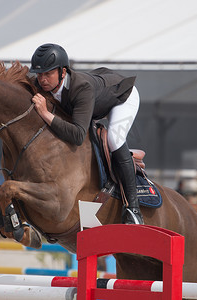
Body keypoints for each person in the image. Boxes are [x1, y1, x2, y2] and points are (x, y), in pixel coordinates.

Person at [30, 43, 143, 224]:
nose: (42, 79)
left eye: (48, 73)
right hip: (95, 97)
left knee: (114, 139)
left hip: (122, 98)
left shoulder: (81, 88)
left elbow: (77, 135)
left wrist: (45, 113)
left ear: (63, 72)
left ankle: (133, 208)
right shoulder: (42, 85)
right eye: (39, 74)